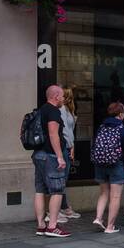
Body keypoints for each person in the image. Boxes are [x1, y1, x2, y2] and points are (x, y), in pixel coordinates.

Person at [91, 101, 124, 234]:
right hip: (117, 164)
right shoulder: (123, 129)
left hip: (100, 163)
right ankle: (110, 226)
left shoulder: (102, 127)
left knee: (103, 193)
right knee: (115, 196)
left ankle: (98, 218)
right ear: (121, 114)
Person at [33, 85, 70, 237]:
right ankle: (52, 226)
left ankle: (41, 225)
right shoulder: (53, 111)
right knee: (57, 190)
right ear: (55, 96)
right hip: (50, 156)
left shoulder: (41, 110)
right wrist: (60, 156)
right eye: (62, 96)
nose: (63, 99)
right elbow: (53, 134)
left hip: (39, 154)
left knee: (40, 190)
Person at [57, 85, 82, 222]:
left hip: (67, 146)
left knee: (63, 179)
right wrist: (71, 146)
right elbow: (66, 131)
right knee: (61, 179)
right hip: (64, 147)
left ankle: (64, 207)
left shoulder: (67, 109)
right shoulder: (62, 109)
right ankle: (60, 208)